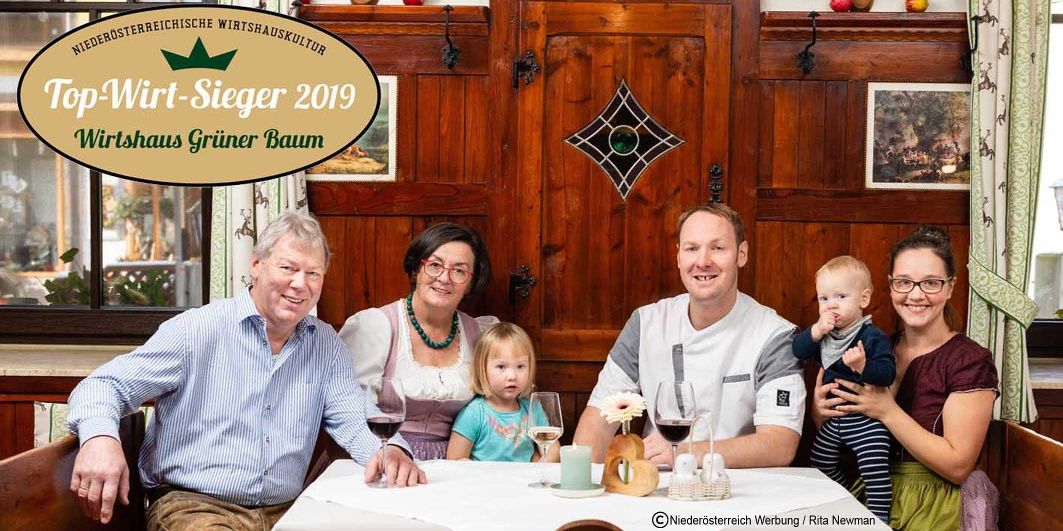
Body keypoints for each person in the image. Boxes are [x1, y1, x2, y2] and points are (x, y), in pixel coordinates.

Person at [66, 211, 425, 530]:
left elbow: (353, 418)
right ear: (256, 265)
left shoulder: (326, 344)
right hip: (194, 508)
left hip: (288, 510)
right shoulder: (197, 330)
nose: (300, 283)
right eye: (287, 268)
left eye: (313, 273)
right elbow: (102, 385)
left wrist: (391, 450)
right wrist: (100, 439)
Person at [572, 203, 805, 468]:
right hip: (658, 481)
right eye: (692, 248)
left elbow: (780, 445)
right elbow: (598, 420)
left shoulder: (774, 335)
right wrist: (582, 479)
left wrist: (686, 453)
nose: (703, 261)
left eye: (718, 248)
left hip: (737, 483)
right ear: (679, 258)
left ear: (742, 254)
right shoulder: (646, 323)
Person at [815, 226, 999, 530]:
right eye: (903, 282)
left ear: (950, 287)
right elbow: (849, 440)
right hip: (869, 492)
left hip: (935, 504)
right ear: (890, 287)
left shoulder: (969, 361)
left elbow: (958, 466)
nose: (915, 294)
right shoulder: (873, 349)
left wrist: (887, 411)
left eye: (931, 283)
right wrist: (821, 413)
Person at [340, 222, 495, 460]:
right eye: (434, 265)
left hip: (455, 463)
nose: (444, 278)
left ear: (471, 283)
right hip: (381, 457)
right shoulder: (376, 326)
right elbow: (346, 409)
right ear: (416, 270)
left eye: (459, 271)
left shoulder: (480, 334)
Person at [792, 255, 895, 522]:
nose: (831, 304)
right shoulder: (825, 336)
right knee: (820, 462)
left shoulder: (871, 337)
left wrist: (862, 366)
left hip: (867, 422)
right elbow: (798, 350)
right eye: (824, 298)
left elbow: (887, 374)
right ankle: (851, 502)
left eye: (841, 296)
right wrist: (815, 331)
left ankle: (879, 520)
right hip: (834, 421)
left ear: (863, 299)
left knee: (874, 473)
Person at [447, 322, 557, 462]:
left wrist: (540, 468)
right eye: (501, 367)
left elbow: (552, 450)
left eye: (520, 366)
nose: (512, 376)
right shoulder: (474, 413)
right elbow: (455, 458)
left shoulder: (532, 409)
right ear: (482, 369)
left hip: (524, 476)